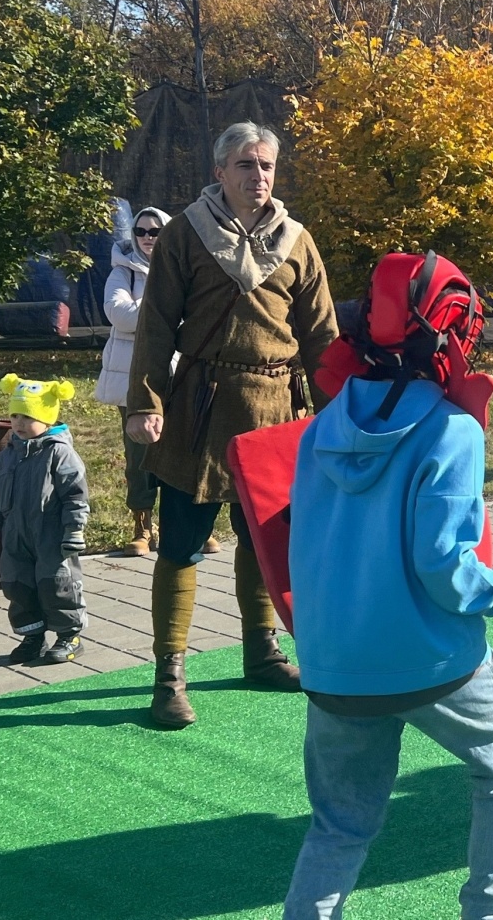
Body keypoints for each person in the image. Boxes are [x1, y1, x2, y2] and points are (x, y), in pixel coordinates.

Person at [283, 251, 493, 920]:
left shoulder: (320, 429)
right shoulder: (451, 430)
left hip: (332, 666)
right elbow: (446, 570)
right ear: (452, 335)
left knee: (341, 823)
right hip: (429, 660)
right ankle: (492, 911)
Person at [126, 121, 339, 729]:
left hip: (275, 410)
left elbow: (323, 337)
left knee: (265, 541)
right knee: (183, 545)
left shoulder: (297, 241)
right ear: (220, 171)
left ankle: (261, 653)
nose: (259, 176)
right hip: (199, 409)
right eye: (246, 165)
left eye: (267, 165)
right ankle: (169, 675)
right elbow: (156, 325)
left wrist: (340, 413)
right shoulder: (185, 234)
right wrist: (146, 402)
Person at [0, 375, 90, 665]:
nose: (19, 423)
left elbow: (75, 495)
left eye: (28, 416)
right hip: (16, 537)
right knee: (18, 585)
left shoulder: (59, 454)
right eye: (15, 415)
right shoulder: (6, 458)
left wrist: (74, 529)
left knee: (57, 583)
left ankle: (69, 636)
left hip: (51, 535)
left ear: (47, 417)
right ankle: (33, 636)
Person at [95, 206, 188, 558]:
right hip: (134, 379)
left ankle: (186, 526)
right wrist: (166, 310)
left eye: (155, 231)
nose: (148, 238)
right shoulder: (122, 273)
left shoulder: (183, 267)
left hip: (179, 376)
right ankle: (142, 526)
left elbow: (195, 313)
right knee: (140, 454)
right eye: (141, 231)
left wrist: (149, 310)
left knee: (181, 450)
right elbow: (118, 314)